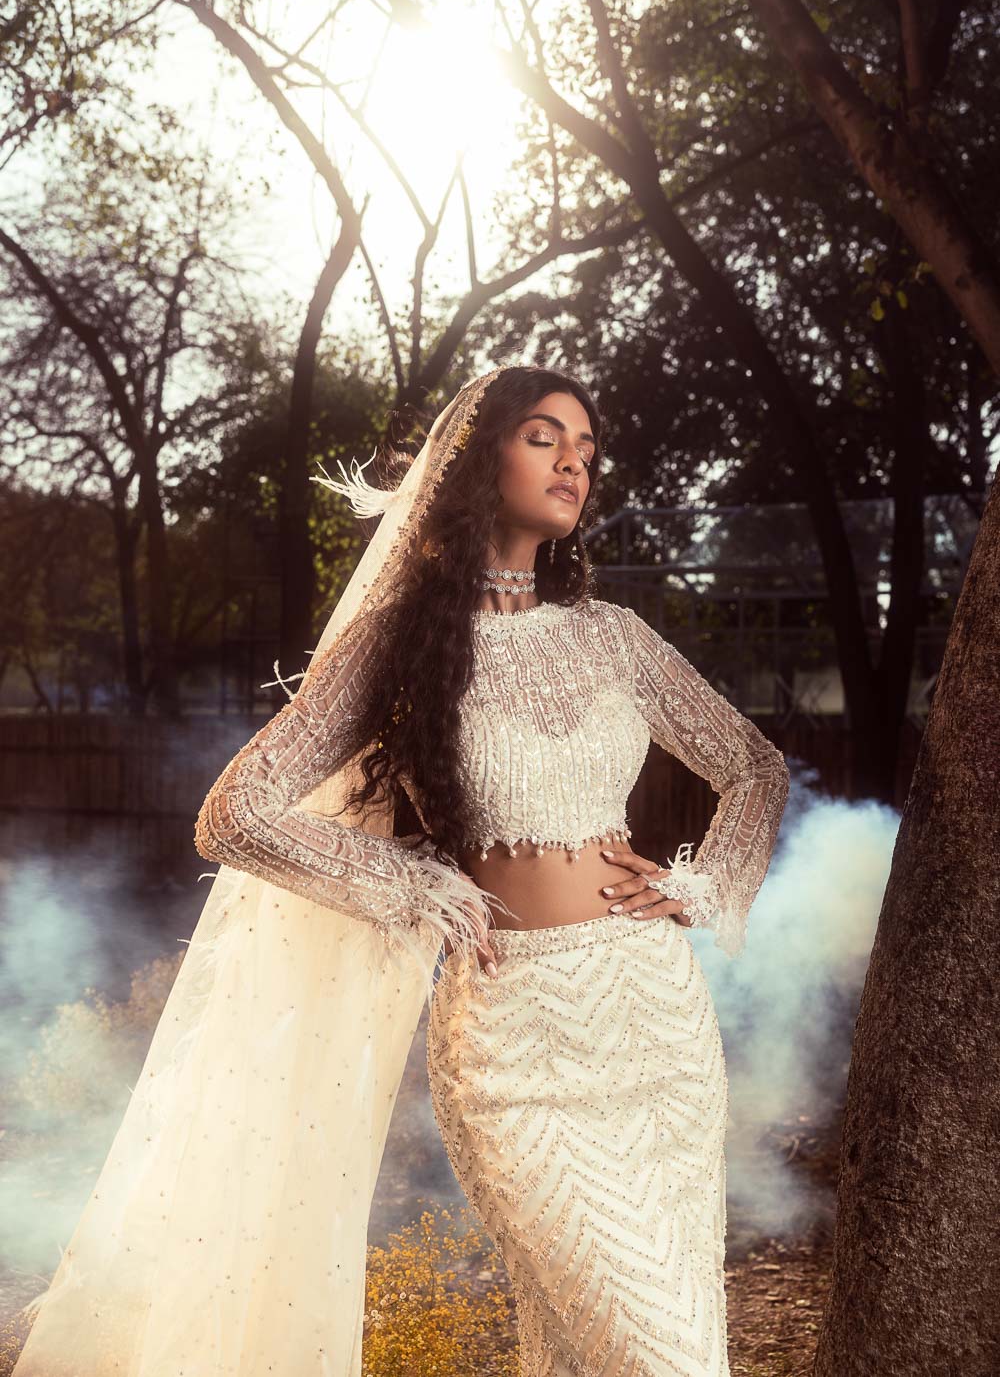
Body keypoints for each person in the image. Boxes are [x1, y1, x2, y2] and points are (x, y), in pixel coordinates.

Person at [10, 364, 789, 1377]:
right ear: (478, 458)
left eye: (588, 453)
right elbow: (233, 813)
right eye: (546, 437)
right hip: (512, 1041)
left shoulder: (614, 637)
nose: (574, 465)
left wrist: (704, 882)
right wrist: (414, 883)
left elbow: (754, 767)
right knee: (632, 1340)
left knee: (635, 1345)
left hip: (655, 1027)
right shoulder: (399, 640)